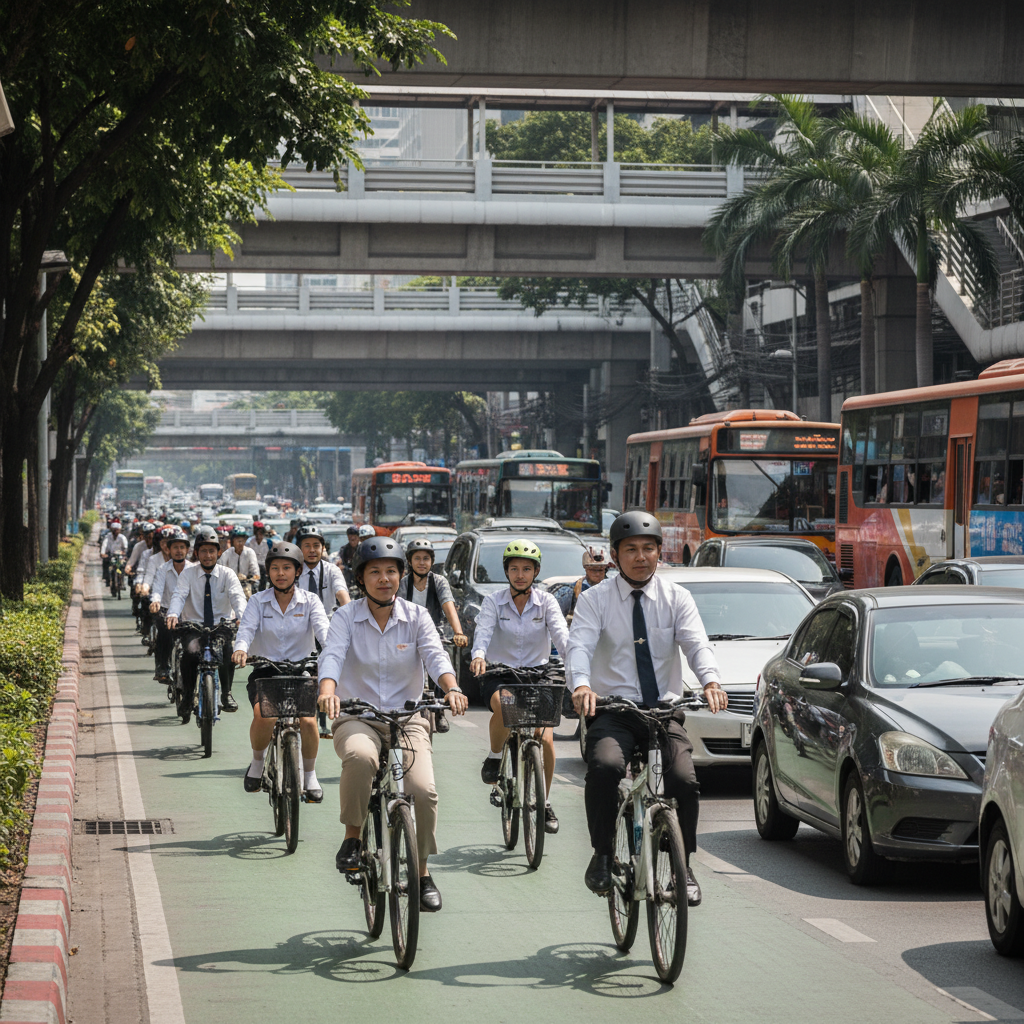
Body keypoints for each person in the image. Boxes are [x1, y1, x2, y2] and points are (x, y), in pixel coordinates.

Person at [566, 511, 727, 907]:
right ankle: (602, 853)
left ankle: (683, 866)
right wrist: (582, 684)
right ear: (615, 556)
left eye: (648, 549)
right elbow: (579, 646)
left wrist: (710, 680)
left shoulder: (677, 598)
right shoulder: (594, 599)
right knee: (604, 768)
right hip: (613, 711)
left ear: (660, 553)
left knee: (684, 782)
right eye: (631, 550)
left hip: (662, 712)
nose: (641, 557)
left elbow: (695, 643)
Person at [316, 536, 469, 913]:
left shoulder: (417, 617)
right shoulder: (345, 616)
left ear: (401, 576)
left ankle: (422, 873)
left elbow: (435, 656)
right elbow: (332, 656)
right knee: (360, 757)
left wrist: (451, 688)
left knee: (422, 789)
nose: (384, 579)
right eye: (375, 572)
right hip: (357, 716)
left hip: (407, 718)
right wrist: (328, 690)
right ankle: (352, 837)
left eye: (391, 571)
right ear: (361, 578)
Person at [469, 539, 568, 835]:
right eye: (514, 569)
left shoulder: (547, 602)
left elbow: (562, 637)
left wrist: (578, 667)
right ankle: (497, 755)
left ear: (535, 572)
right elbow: (483, 633)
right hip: (500, 673)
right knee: (504, 704)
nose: (520, 574)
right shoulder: (493, 601)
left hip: (538, 675)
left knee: (546, 740)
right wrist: (478, 656)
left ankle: (545, 801)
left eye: (526, 569)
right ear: (507, 571)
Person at [232, 541, 330, 802]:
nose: (280, 573)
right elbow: (246, 630)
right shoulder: (257, 601)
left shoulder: (311, 601)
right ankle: (256, 763)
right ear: (269, 572)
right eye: (275, 568)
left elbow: (324, 633)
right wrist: (241, 649)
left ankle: (309, 775)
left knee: (308, 720)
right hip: (266, 669)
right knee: (263, 715)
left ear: (297, 572)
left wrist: (333, 653)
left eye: (287, 568)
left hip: (301, 669)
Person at [166, 525, 247, 718]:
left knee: (228, 650)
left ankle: (226, 693)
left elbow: (238, 597)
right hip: (194, 626)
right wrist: (173, 614)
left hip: (221, 626)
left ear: (219, 552)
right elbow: (178, 595)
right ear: (196, 553)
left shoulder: (228, 574)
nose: (208, 555)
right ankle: (187, 696)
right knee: (189, 654)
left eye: (212, 551)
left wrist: (242, 617)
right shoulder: (188, 574)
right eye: (203, 551)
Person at [401, 539, 468, 643]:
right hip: (408, 638)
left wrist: (458, 632)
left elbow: (448, 604)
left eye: (426, 558)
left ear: (432, 561)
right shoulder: (403, 583)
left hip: (435, 637)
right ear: (410, 561)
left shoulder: (439, 581)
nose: (422, 563)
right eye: (417, 558)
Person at [148, 528, 191, 683]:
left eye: (182, 547)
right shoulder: (162, 569)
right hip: (166, 611)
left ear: (187, 549)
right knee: (164, 633)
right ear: (169, 549)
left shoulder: (195, 570)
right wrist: (155, 601)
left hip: (189, 614)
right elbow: (157, 589)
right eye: (175, 547)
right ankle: (163, 666)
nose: (178, 551)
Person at [294, 524, 351, 616]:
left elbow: (342, 594)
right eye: (307, 546)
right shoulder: (292, 571)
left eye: (316, 546)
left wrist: (349, 615)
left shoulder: (332, 570)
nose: (312, 550)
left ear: (323, 548)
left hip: (327, 622)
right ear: (299, 549)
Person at [567, 546, 612, 622]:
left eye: (601, 570)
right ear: (586, 569)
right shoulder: (572, 591)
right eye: (594, 570)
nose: (597, 574)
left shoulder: (613, 589)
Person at [219, 525, 260, 598]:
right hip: (230, 587)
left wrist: (249, 578)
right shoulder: (227, 554)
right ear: (233, 541)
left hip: (246, 586)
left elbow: (256, 574)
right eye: (237, 539)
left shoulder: (250, 553)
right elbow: (221, 571)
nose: (240, 543)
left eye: (242, 540)